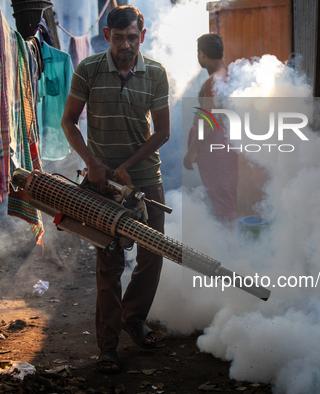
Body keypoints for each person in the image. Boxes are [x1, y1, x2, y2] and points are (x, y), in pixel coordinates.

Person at [61, 5, 170, 374]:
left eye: (133, 37)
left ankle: (133, 317)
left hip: (146, 179)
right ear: (107, 36)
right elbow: (69, 122)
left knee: (152, 254)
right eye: (119, 37)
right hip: (102, 185)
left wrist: (128, 165)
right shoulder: (89, 69)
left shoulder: (155, 73)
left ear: (143, 34)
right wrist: (94, 163)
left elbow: (162, 131)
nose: (126, 45)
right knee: (108, 263)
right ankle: (107, 347)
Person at [183, 34, 238, 224]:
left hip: (216, 145)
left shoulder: (214, 80)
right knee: (224, 199)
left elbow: (209, 118)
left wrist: (192, 151)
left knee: (222, 200)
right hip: (224, 143)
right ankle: (227, 245)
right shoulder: (227, 74)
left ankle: (227, 249)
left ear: (202, 54)